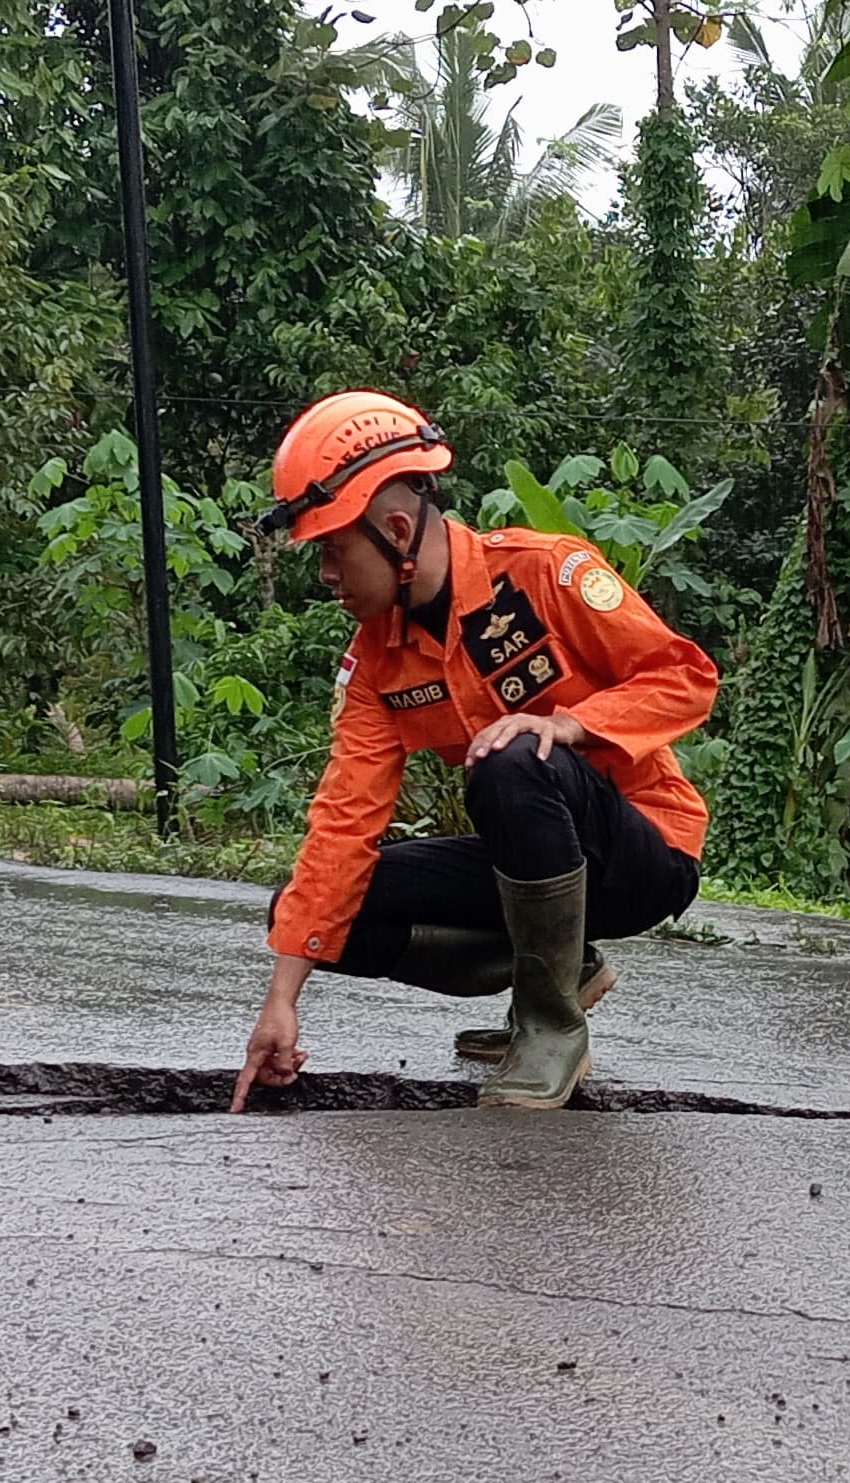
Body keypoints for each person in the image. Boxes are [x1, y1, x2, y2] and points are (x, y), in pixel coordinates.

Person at [228, 390, 719, 1112]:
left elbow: (687, 676)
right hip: (530, 865)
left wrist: (569, 726)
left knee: (516, 755)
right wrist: (280, 1004)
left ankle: (551, 1028)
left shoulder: (544, 572)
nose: (326, 574)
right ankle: (556, 974)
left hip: (643, 856)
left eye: (333, 549)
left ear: (396, 529)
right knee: (319, 917)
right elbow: (342, 826)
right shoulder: (375, 665)